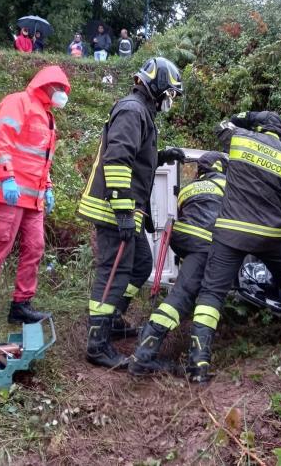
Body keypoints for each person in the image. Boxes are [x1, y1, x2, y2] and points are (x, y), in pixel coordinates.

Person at [184, 111, 281, 382]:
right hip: (272, 234)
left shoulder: (240, 139)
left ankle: (198, 364)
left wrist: (246, 117)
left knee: (212, 293)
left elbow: (221, 124)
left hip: (231, 232)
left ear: (258, 127)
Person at [78, 57, 184, 368]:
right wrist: (123, 210)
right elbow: (118, 160)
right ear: (158, 87)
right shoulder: (132, 110)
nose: (170, 101)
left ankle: (112, 318)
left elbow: (135, 156)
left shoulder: (140, 112)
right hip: (115, 207)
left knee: (140, 264)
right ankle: (97, 344)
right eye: (170, 94)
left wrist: (162, 155)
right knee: (114, 272)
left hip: (124, 208)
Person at [0, 65, 71, 331]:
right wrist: (7, 178)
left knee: (35, 248)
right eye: (59, 88)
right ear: (46, 85)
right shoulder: (18, 102)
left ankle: (21, 306)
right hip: (8, 194)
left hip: (32, 198)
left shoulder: (48, 117)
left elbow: (41, 160)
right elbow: (1, 141)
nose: (62, 93)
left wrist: (48, 187)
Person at [129, 151, 227, 376]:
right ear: (221, 168)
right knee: (189, 297)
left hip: (183, 240)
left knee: (184, 291)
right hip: (206, 242)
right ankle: (192, 364)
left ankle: (146, 354)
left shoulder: (188, 188)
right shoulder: (226, 183)